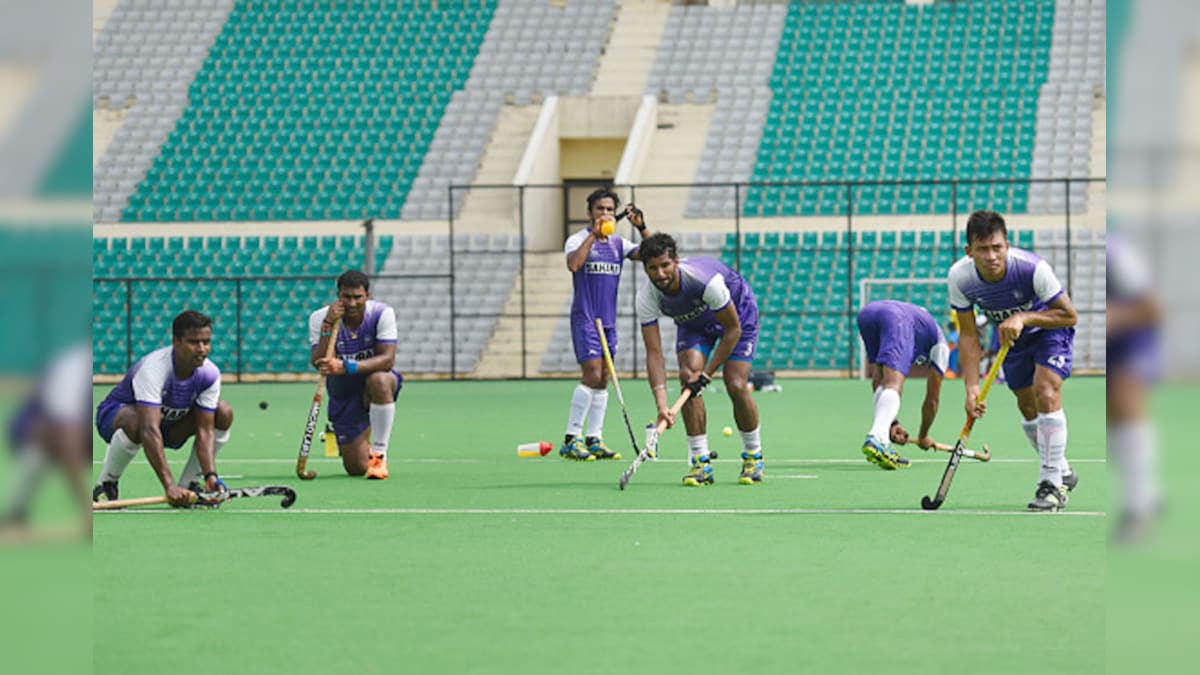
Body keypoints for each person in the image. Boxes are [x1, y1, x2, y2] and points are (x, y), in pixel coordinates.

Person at [949, 211, 1079, 511]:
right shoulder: (960, 277)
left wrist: (1023, 317)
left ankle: (1051, 485)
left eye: (997, 247)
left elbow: (1069, 315)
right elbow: (968, 336)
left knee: (1045, 390)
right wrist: (971, 387)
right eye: (982, 249)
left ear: (1007, 245)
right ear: (969, 251)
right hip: (1011, 340)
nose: (991, 256)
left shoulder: (1032, 269)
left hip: (1049, 330)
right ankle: (1063, 469)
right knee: (1026, 405)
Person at [636, 232, 763, 486]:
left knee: (735, 384)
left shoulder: (704, 282)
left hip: (737, 315)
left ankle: (753, 456)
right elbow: (654, 354)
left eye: (665, 265)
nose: (660, 274)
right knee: (687, 378)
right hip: (694, 324)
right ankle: (700, 463)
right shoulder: (646, 297)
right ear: (645, 269)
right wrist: (662, 404)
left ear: (676, 261)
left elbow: (732, 330)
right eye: (652, 268)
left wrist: (706, 375)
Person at [93, 310, 232, 507]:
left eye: (206, 342)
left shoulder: (210, 374)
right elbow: (149, 429)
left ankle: (190, 484)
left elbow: (205, 430)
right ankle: (106, 484)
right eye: (194, 342)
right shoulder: (154, 368)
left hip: (167, 425)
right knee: (136, 420)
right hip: (116, 418)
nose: (202, 349)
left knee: (223, 412)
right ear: (176, 342)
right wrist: (169, 486)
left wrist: (210, 475)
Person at [559, 187, 647, 461]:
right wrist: (593, 236)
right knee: (592, 373)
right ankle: (571, 438)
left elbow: (652, 254)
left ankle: (594, 438)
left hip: (608, 321)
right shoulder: (577, 240)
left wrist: (641, 227)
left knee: (604, 378)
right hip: (586, 318)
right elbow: (574, 265)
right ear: (590, 212)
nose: (606, 213)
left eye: (610, 210)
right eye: (600, 209)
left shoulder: (619, 244)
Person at [309, 269, 402, 480]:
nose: (351, 303)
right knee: (357, 468)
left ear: (367, 296)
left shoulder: (381, 313)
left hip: (373, 383)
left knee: (379, 380)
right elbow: (318, 361)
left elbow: (387, 360)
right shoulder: (319, 318)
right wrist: (328, 325)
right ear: (338, 296)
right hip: (343, 392)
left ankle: (379, 455)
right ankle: (360, 436)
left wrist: (347, 366)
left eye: (357, 297)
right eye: (346, 297)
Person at [1106, 232, 1161, 543]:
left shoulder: (1118, 256)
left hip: (1133, 336)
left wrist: (1115, 317)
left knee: (1126, 405)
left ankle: (1137, 508)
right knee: (1113, 422)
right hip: (1111, 338)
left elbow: (1153, 309)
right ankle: (1148, 489)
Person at [2, 343, 91, 534]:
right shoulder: (71, 370)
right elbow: (66, 435)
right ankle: (17, 511)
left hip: (78, 427)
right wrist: (86, 508)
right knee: (39, 447)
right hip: (36, 429)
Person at [856, 300, 950, 470]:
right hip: (896, 318)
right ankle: (876, 437)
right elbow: (932, 400)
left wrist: (892, 423)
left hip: (867, 313)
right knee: (894, 383)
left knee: (883, 378)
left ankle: (883, 440)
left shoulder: (923, 330)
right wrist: (923, 435)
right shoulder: (941, 348)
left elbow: (878, 380)